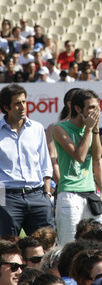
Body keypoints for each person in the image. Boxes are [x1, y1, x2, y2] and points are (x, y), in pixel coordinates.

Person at [53, 88, 102, 246]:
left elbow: (97, 157)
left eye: (97, 107)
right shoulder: (60, 128)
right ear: (78, 109)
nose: (96, 111)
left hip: (91, 194)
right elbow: (80, 156)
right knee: (69, 246)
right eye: (91, 107)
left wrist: (95, 129)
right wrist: (89, 129)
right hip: (69, 194)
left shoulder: (90, 129)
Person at [0, 84, 54, 237]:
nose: (22, 107)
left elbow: (45, 163)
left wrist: (47, 195)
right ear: (6, 107)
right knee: (9, 248)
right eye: (17, 103)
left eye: (24, 102)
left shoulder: (37, 128)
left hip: (37, 195)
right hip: (6, 196)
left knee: (46, 246)